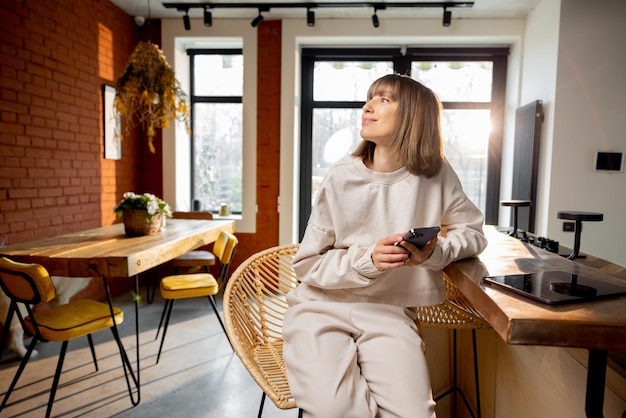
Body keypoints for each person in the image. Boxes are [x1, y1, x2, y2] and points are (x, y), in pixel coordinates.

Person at [282, 73, 488, 418]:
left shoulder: (437, 176)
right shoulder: (340, 177)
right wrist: (368, 260)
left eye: (384, 100)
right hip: (320, 307)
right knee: (337, 412)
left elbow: (473, 234)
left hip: (389, 311)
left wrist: (434, 253)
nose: (368, 106)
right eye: (370, 98)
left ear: (413, 116)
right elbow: (307, 264)